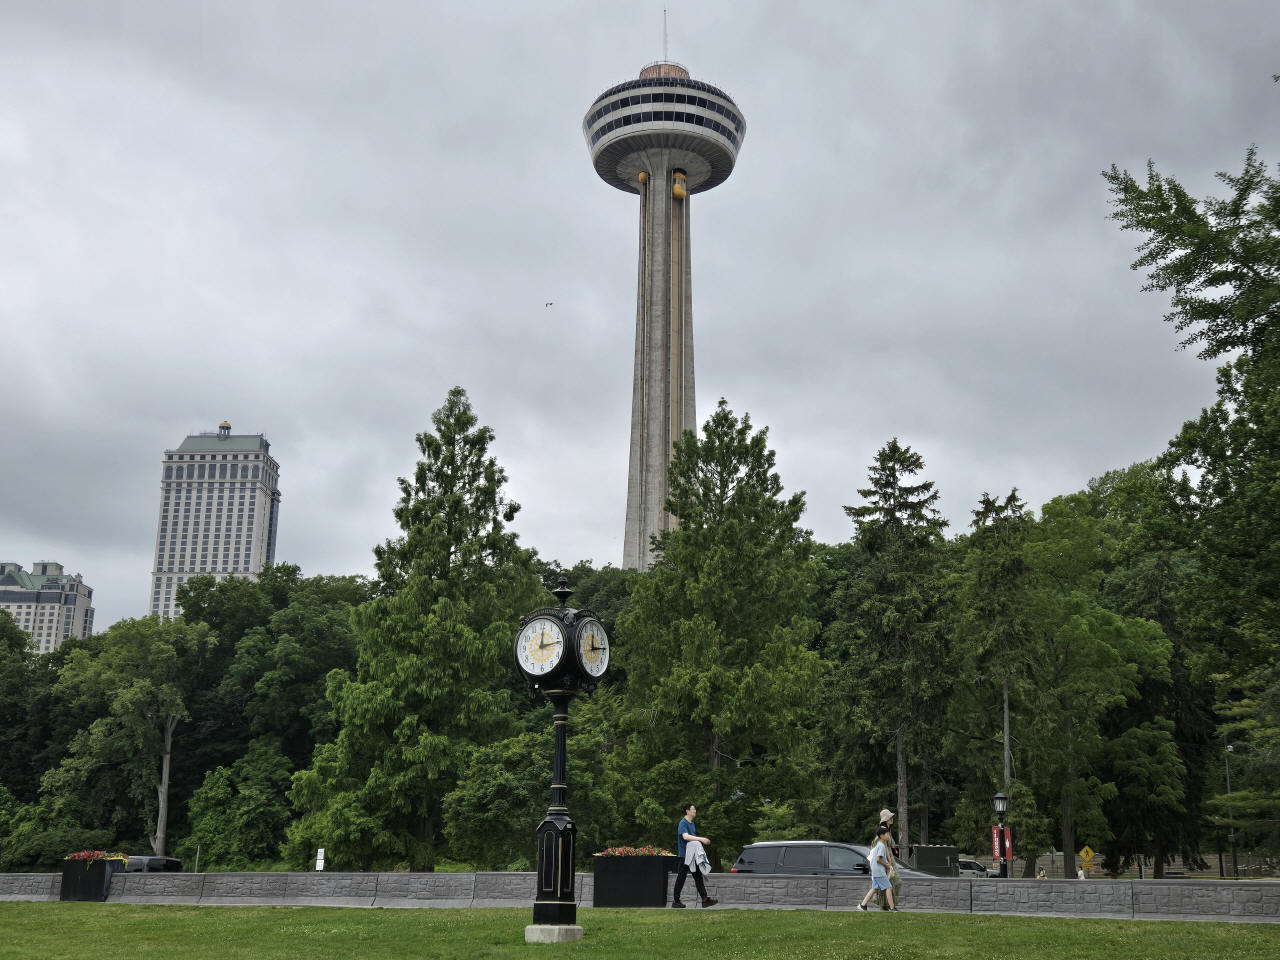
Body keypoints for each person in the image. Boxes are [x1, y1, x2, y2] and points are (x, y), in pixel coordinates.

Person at [671, 803, 718, 908]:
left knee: (698, 877)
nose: (695, 811)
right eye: (693, 809)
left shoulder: (692, 824)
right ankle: (676, 901)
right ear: (687, 811)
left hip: (692, 856)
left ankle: (705, 900)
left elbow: (692, 841)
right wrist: (701, 839)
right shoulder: (683, 823)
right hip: (684, 856)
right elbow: (686, 837)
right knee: (681, 878)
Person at [858, 826, 898, 912]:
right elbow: (878, 859)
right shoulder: (881, 846)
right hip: (879, 871)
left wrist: (888, 862)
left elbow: (881, 857)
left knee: (874, 889)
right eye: (887, 834)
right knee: (888, 887)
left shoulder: (881, 844)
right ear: (881, 835)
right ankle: (892, 908)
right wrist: (886, 865)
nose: (888, 836)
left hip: (876, 870)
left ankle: (862, 905)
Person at [874, 808, 901, 909]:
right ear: (885, 819)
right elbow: (883, 846)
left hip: (889, 857)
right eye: (889, 817)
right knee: (892, 881)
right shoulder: (883, 830)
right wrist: (888, 861)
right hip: (886, 858)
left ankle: (886, 904)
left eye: (892, 817)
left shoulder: (888, 830)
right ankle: (887, 905)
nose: (892, 818)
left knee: (892, 881)